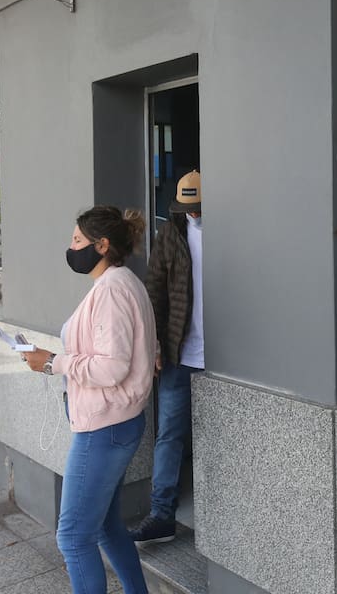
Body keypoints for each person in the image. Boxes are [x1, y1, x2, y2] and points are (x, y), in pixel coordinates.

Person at [21, 206, 156, 594]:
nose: (71, 247)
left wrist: (53, 364)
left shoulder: (112, 290)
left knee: (74, 537)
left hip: (105, 426)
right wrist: (55, 360)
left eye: (78, 241)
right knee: (106, 527)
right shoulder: (121, 282)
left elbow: (112, 366)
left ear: (102, 244)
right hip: (114, 421)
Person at [128, 170, 204, 544]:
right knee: (169, 435)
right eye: (187, 208)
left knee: (219, 438)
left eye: (198, 207)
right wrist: (156, 345)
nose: (193, 214)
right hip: (181, 355)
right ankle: (161, 514)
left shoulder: (233, 232)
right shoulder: (171, 235)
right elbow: (153, 293)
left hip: (227, 360)